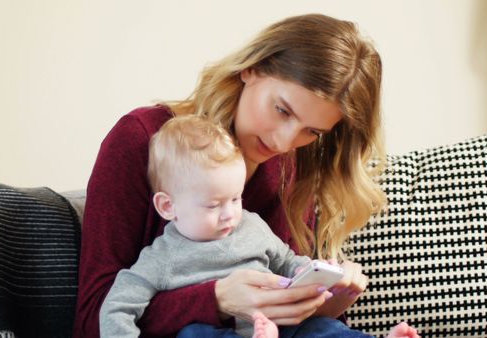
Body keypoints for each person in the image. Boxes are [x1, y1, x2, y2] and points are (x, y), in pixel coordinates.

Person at [74, 13, 392, 338]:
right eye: (282, 110)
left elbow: (287, 313)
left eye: (311, 131)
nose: (285, 143)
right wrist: (216, 299)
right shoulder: (143, 140)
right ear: (250, 69)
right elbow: (92, 321)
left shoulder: (290, 170)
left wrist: (326, 299)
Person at [98, 115, 420, 338]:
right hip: (218, 330)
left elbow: (288, 261)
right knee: (194, 334)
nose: (229, 215)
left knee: (321, 332)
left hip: (279, 326)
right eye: (213, 205)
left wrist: (317, 272)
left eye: (236, 199)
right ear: (168, 207)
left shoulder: (251, 225)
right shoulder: (163, 257)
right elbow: (117, 306)